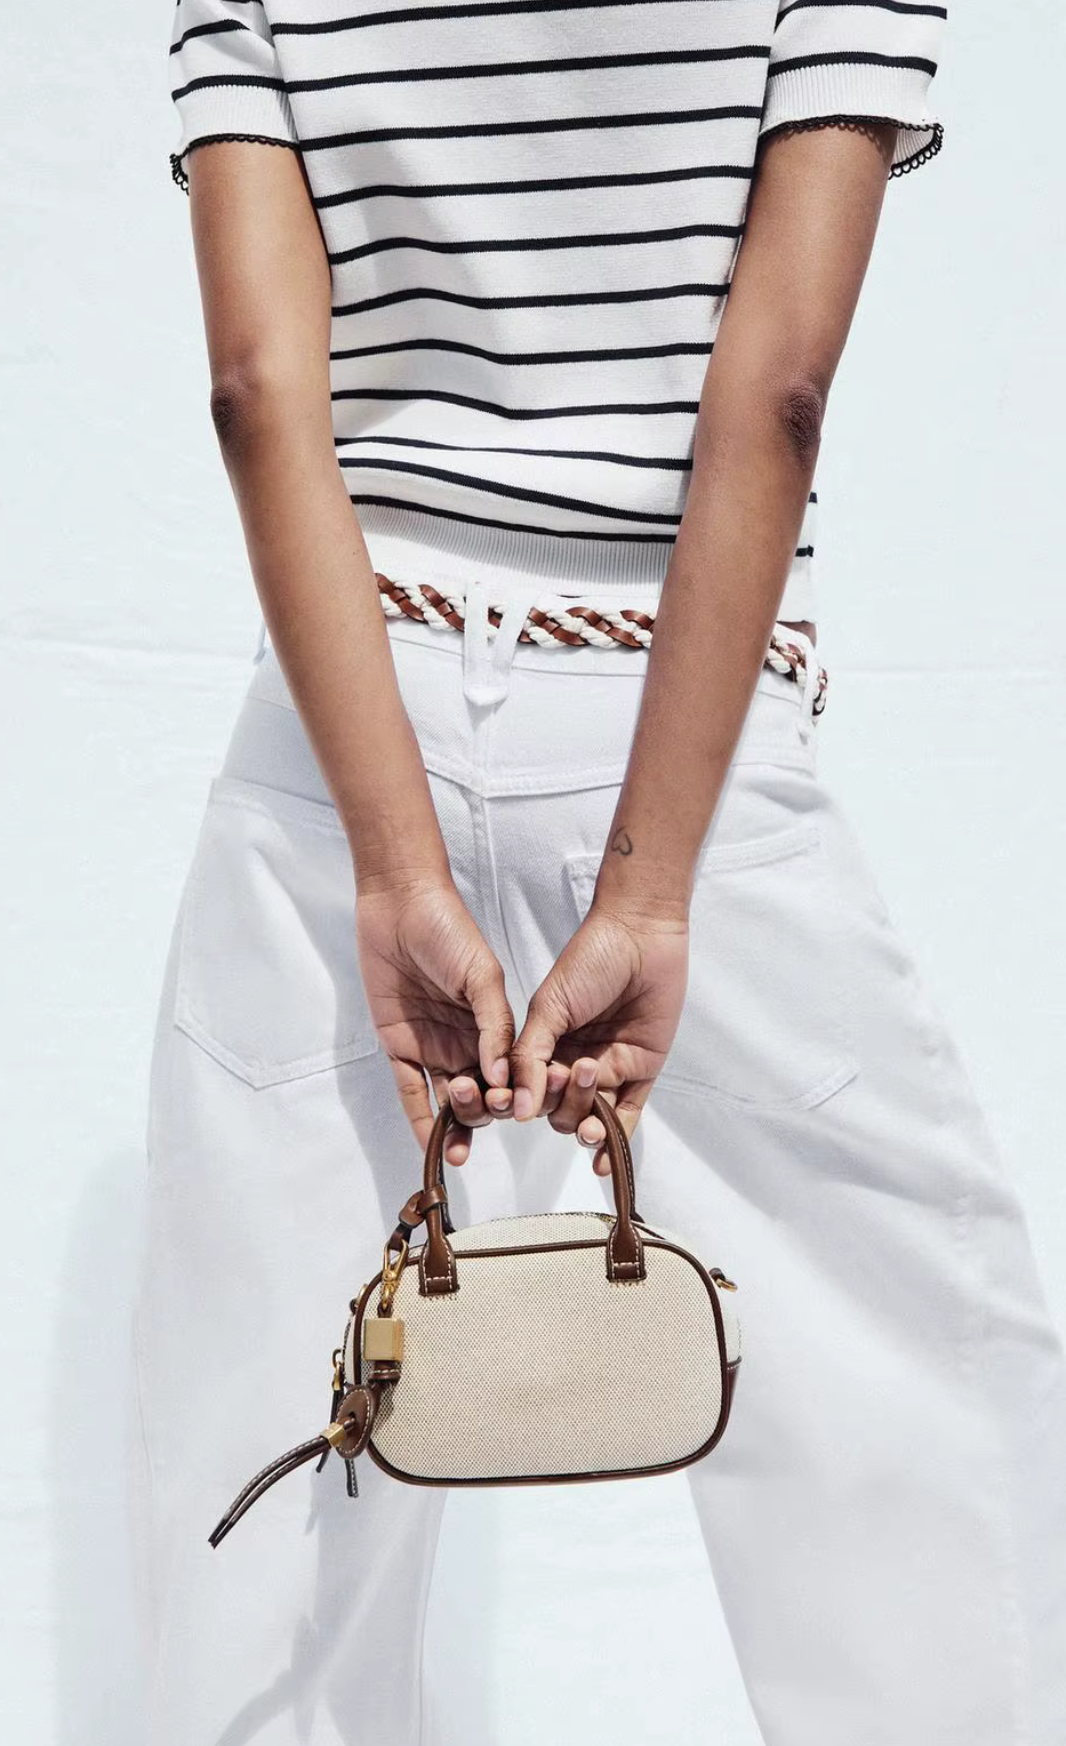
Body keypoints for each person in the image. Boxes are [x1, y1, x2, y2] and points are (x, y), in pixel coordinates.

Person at [129, 3, 1066, 1742]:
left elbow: (262, 391)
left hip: (343, 713)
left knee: (274, 1455)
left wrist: (394, 857)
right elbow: (772, 384)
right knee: (909, 1438)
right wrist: (643, 891)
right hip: (675, 702)